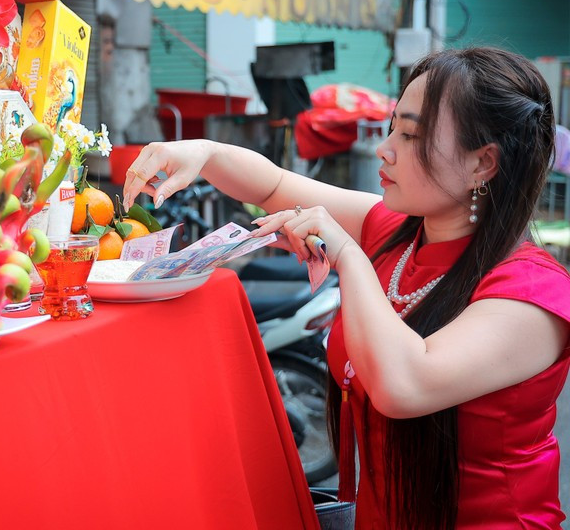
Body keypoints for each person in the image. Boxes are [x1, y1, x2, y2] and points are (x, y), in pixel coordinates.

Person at [122, 47, 570, 530]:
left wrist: (349, 257)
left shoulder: (534, 292)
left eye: (411, 134)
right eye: (393, 126)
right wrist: (203, 153)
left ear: (483, 163)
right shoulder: (399, 231)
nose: (385, 147)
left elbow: (405, 385)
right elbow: (272, 186)